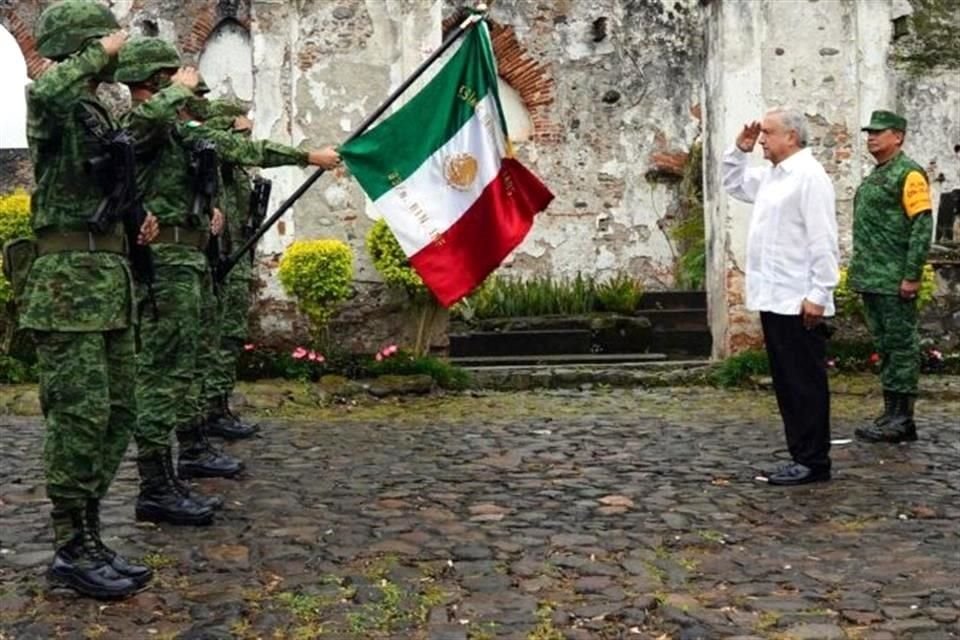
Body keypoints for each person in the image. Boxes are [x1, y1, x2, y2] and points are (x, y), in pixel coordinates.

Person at [114, 37, 340, 525]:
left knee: (184, 366)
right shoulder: (143, 128)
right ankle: (154, 483)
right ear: (154, 81)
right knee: (162, 372)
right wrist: (179, 90)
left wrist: (306, 157)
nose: (187, 88)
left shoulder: (178, 132)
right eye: (170, 78)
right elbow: (140, 124)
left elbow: (241, 146)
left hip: (190, 259)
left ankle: (173, 469)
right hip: (166, 261)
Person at [21, 0, 159, 599]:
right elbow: (48, 91)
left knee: (117, 411)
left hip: (109, 278)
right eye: (105, 38)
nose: (117, 45)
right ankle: (69, 545)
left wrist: (137, 216)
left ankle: (91, 531)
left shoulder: (94, 110)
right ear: (81, 43)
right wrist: (97, 50)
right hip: (67, 287)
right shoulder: (51, 104)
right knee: (77, 417)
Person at [722, 107, 840, 486]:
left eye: (768, 134)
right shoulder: (774, 176)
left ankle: (813, 461)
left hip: (798, 297)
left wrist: (819, 293)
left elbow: (823, 240)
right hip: (774, 295)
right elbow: (735, 185)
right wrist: (738, 151)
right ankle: (800, 454)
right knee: (788, 382)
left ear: (792, 136)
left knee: (804, 382)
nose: (762, 140)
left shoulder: (808, 176)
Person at [850, 110, 933, 443]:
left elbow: (921, 226)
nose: (871, 137)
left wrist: (911, 275)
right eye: (869, 132)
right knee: (885, 346)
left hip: (895, 278)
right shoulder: (877, 174)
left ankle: (903, 420)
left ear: (897, 136)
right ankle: (890, 412)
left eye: (878, 132)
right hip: (873, 278)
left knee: (901, 347)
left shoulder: (909, 173)